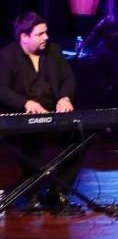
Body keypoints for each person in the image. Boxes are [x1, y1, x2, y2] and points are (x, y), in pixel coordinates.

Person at [0, 12, 85, 213]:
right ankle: (32, 193)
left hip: (52, 115)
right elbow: (1, 89)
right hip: (22, 119)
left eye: (46, 32)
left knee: (79, 139)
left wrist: (64, 97)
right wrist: (26, 103)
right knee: (32, 144)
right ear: (24, 37)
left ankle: (58, 192)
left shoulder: (53, 52)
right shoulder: (6, 56)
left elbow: (68, 79)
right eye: (40, 34)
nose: (46, 37)